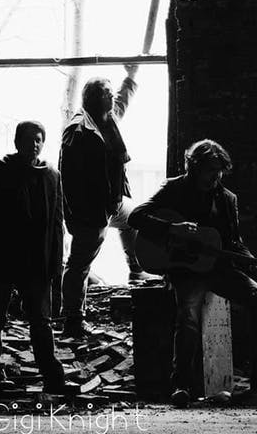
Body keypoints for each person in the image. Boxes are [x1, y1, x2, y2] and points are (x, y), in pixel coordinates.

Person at [128, 139, 257, 408]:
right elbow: (136, 217)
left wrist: (253, 262)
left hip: (219, 269)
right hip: (186, 271)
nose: (215, 177)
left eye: (219, 172)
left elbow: (234, 242)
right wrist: (172, 229)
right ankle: (181, 385)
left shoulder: (227, 199)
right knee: (188, 316)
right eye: (210, 171)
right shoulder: (174, 189)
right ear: (194, 167)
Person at [59, 64, 161, 338]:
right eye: (107, 92)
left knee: (135, 218)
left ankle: (136, 271)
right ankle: (73, 319)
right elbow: (69, 180)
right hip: (90, 212)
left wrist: (131, 76)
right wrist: (78, 216)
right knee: (79, 265)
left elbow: (122, 101)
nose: (112, 95)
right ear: (94, 98)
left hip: (111, 203)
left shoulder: (106, 119)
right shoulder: (78, 130)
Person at [0, 121, 66, 394]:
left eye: (39, 139)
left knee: (41, 320)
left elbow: (57, 222)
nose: (34, 144)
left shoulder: (51, 175)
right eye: (28, 139)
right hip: (4, 257)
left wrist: (55, 262)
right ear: (16, 142)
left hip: (37, 261)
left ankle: (51, 375)